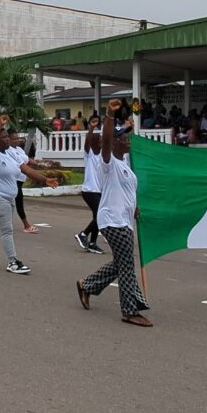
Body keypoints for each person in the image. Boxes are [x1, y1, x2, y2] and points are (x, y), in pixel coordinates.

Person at [76, 99, 152, 327]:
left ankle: (87, 285)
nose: (127, 140)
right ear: (115, 143)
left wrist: (134, 206)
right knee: (127, 264)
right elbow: (106, 139)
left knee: (121, 263)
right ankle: (129, 310)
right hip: (111, 220)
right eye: (123, 138)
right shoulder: (107, 162)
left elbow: (127, 192)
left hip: (124, 220)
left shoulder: (125, 165)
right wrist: (109, 115)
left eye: (127, 137)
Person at [0, 114, 58, 273]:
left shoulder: (11, 153)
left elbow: (25, 169)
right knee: (7, 230)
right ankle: (13, 262)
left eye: (8, 136)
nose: (8, 139)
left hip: (8, 198)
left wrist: (44, 180)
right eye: (4, 137)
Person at [74, 115, 106, 254]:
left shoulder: (102, 156)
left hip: (98, 191)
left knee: (97, 217)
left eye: (101, 140)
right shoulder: (90, 154)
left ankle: (92, 242)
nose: (100, 142)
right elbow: (87, 143)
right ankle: (83, 234)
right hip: (89, 190)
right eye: (98, 140)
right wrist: (91, 129)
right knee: (100, 215)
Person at [7, 133, 38, 233]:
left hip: (20, 180)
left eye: (17, 138)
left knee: (8, 201)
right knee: (18, 202)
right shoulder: (8, 151)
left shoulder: (19, 149)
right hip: (14, 180)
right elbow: (21, 163)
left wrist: (39, 163)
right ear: (8, 139)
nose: (17, 140)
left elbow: (27, 160)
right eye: (14, 139)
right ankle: (26, 225)